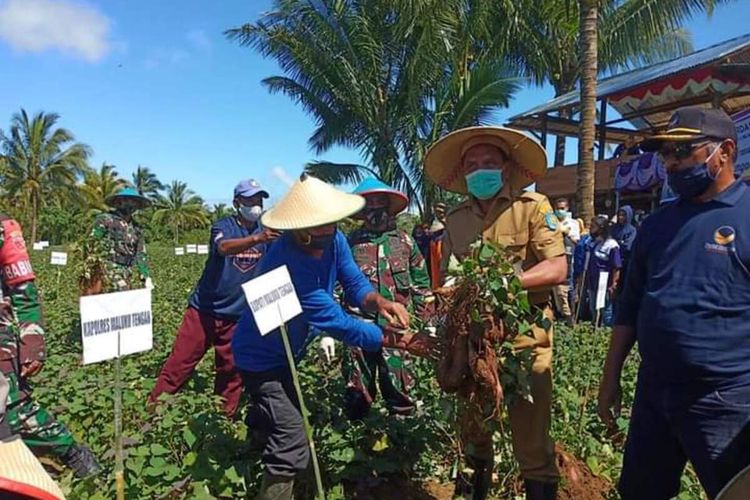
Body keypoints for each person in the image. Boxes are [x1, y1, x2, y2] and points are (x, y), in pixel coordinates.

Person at [231, 174, 434, 499]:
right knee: (291, 438)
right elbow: (337, 322)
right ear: (297, 227)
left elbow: (353, 280)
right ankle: (274, 476)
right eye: (318, 226)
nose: (327, 231)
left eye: (331, 223)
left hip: (286, 352)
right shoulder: (288, 262)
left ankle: (270, 454)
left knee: (288, 422)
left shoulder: (334, 238)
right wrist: (403, 341)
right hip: (259, 359)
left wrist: (379, 302)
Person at [598, 107, 750, 499]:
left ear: (725, 151)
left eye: (683, 151)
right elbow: (629, 306)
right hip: (654, 392)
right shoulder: (657, 225)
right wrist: (610, 377)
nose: (671, 163)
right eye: (665, 154)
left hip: (725, 398)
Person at [425, 126, 567, 500]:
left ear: (506, 168)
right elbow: (449, 277)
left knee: (531, 442)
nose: (480, 169)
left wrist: (503, 285)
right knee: (474, 433)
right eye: (472, 164)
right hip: (474, 342)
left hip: (525, 340)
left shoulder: (532, 208)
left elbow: (556, 268)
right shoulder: (455, 219)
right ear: (463, 173)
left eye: (489, 161)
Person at [149, 180, 277, 418]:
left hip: (238, 316)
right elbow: (224, 248)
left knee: (231, 371)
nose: (256, 205)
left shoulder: (268, 230)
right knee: (180, 364)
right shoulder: (224, 226)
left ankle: (223, 419)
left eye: (259, 200)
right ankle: (153, 413)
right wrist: (257, 240)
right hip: (204, 311)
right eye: (250, 200)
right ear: (237, 203)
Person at [0, 214, 100, 477]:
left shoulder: (5, 228)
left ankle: (70, 451)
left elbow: (24, 293)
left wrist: (32, 344)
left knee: (12, 412)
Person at [341, 178, 434, 419]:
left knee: (400, 387)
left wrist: (428, 325)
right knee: (357, 388)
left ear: (388, 205)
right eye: (368, 204)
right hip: (358, 326)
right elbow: (336, 283)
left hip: (396, 329)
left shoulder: (405, 242)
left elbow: (421, 285)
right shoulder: (349, 243)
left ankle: (401, 438)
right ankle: (359, 436)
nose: (375, 209)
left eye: (379, 203)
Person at [83, 186, 151, 294]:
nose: (129, 204)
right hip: (107, 269)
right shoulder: (106, 220)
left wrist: (146, 275)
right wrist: (91, 270)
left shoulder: (137, 228)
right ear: (118, 202)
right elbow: (91, 243)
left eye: (133, 202)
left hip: (127, 271)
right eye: (125, 200)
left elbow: (141, 253)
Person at [579, 216, 621, 327]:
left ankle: (607, 333)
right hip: (593, 283)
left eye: (593, 226)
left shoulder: (612, 245)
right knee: (593, 307)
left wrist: (613, 284)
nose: (591, 228)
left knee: (605, 310)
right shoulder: (594, 243)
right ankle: (595, 328)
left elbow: (616, 267)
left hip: (605, 284)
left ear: (601, 228)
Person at [552, 198, 580, 326]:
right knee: (557, 292)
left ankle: (571, 318)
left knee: (569, 290)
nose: (560, 211)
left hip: (570, 262)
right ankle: (561, 315)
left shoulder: (573, 223)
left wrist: (565, 233)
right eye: (558, 209)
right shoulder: (552, 223)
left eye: (562, 208)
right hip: (554, 260)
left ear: (567, 209)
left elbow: (576, 241)